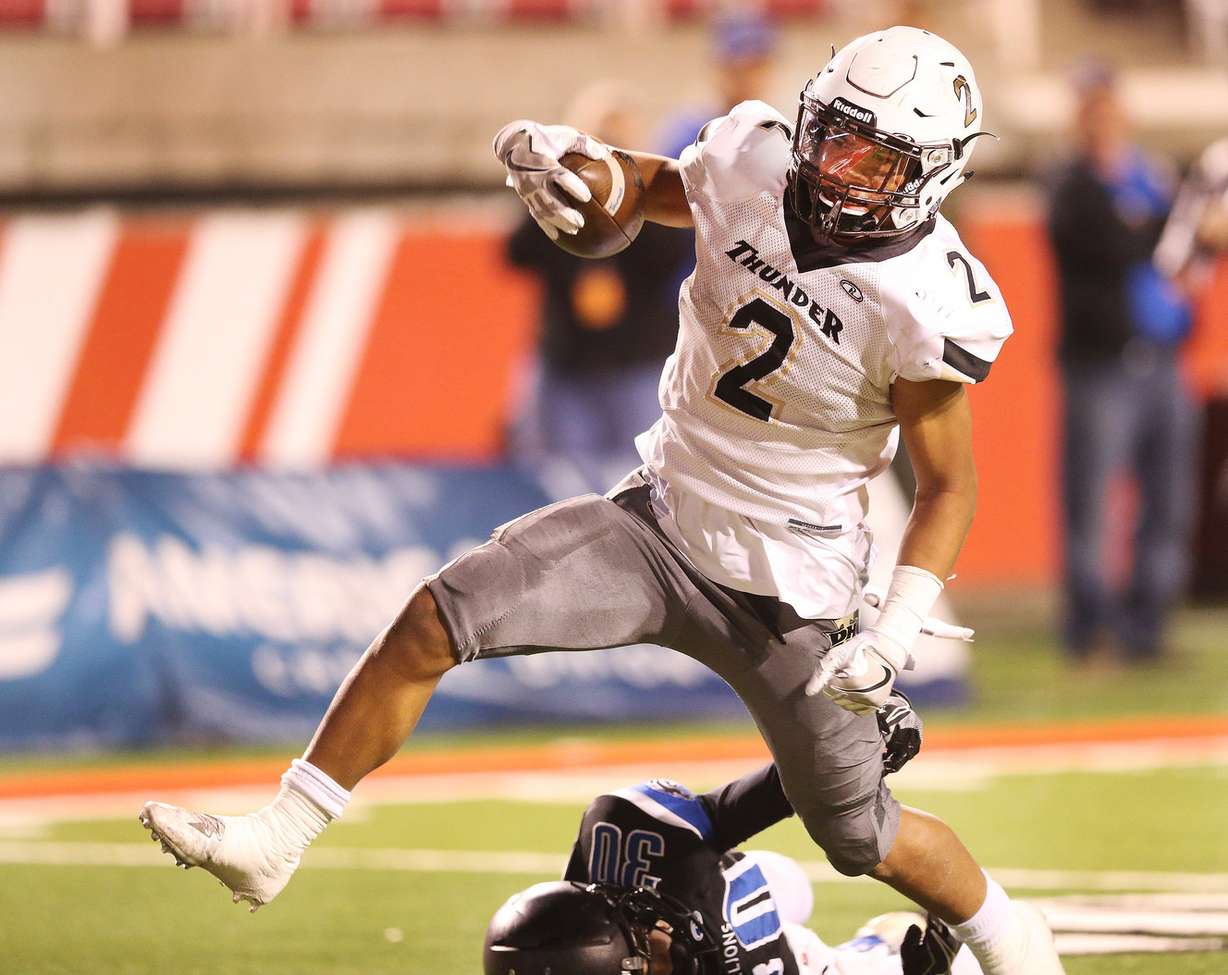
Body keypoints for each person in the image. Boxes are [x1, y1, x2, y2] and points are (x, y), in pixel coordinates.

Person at [139, 26, 1063, 975]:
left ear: (932, 171)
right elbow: (634, 202)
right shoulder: (751, 157)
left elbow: (951, 483)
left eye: (872, 157)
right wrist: (570, 171)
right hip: (657, 522)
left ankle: (1009, 935)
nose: (837, 168)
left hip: (790, 585)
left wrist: (896, 629)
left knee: (860, 835)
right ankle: (278, 835)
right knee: (434, 618)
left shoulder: (927, 296)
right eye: (831, 135)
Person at [485, 695, 984, 975]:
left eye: (637, 934)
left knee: (788, 882)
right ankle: (875, 948)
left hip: (735, 886)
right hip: (765, 952)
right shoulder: (734, 963)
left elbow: (733, 808)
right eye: (645, 959)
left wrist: (846, 752)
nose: (656, 944)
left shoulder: (622, 834)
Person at [1046, 63, 1198, 664]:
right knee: (1091, 500)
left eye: (1109, 104)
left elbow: (1177, 250)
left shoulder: (1150, 173)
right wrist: (1169, 228)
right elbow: (1111, 243)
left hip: (1161, 358)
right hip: (1100, 363)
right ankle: (1090, 629)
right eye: (1092, 106)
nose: (1102, 116)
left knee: (1168, 499)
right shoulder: (1070, 179)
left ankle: (1147, 628)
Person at [507, 81, 693, 470]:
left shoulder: (655, 198)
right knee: (556, 478)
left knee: (644, 476)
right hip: (568, 364)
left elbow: (672, 254)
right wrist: (558, 184)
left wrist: (630, 190)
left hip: (638, 363)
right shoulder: (554, 195)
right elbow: (516, 253)